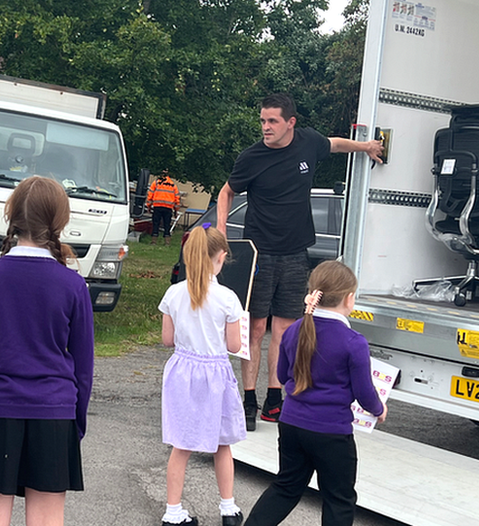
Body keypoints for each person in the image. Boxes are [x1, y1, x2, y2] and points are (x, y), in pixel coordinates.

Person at [216, 93, 383, 431]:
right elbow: (226, 192)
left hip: (295, 253)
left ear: (290, 123)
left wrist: (366, 146)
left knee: (286, 328)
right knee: (256, 329)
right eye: (263, 121)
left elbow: (334, 144)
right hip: (259, 252)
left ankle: (274, 399)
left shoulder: (307, 142)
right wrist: (222, 231)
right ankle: (249, 399)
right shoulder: (251, 157)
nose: (266, 127)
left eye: (272, 121)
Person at [0, 176, 94, 526]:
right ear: (59, 221)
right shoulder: (73, 285)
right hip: (54, 410)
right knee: (48, 519)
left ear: (12, 216)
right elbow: (83, 367)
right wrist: (74, 423)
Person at [244, 261, 387, 526]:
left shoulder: (294, 330)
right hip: (332, 433)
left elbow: (284, 374)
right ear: (349, 298)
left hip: (291, 424)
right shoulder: (353, 342)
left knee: (286, 487)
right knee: (338, 499)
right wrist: (379, 409)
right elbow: (364, 392)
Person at [158, 225, 247, 526]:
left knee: (181, 445)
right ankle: (228, 509)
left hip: (183, 372)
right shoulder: (228, 298)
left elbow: (167, 340)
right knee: (222, 444)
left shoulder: (173, 293)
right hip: (216, 375)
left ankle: (173, 513)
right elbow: (234, 345)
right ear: (221, 257)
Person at [147, 168, 181, 245]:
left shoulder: (156, 183)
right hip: (168, 208)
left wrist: (149, 206)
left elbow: (150, 195)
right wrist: (176, 210)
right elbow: (177, 198)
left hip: (157, 207)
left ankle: (154, 241)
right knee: (167, 225)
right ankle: (167, 242)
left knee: (156, 224)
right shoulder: (173, 185)